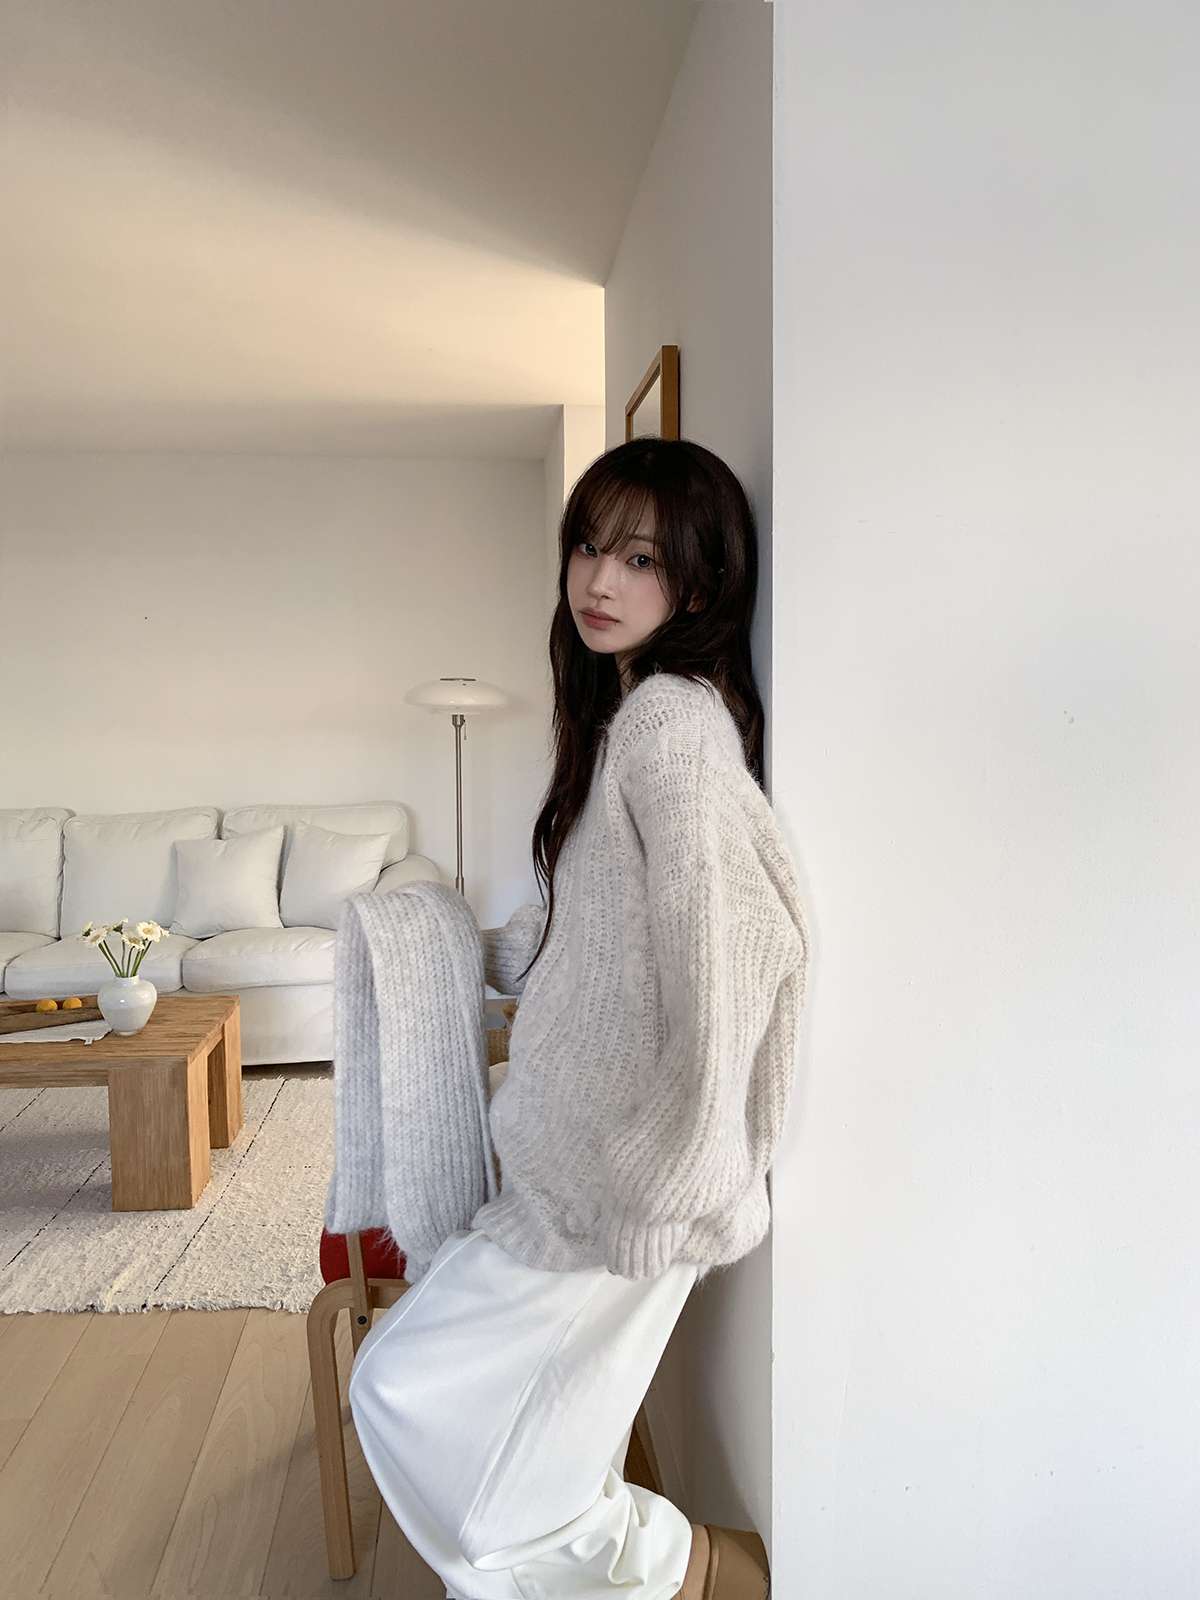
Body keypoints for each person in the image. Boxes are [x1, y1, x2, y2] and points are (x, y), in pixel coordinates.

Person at [348, 437, 810, 1600]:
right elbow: (593, 939)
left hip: (623, 1186)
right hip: (569, 1165)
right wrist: (453, 943)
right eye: (590, 547)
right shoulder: (628, 720)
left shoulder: (671, 726)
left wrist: (670, 1169)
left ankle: (703, 1570)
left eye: (641, 558)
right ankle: (691, 1570)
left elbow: (741, 949)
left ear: (699, 584)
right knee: (483, 1453)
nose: (600, 580)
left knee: (407, 1399)